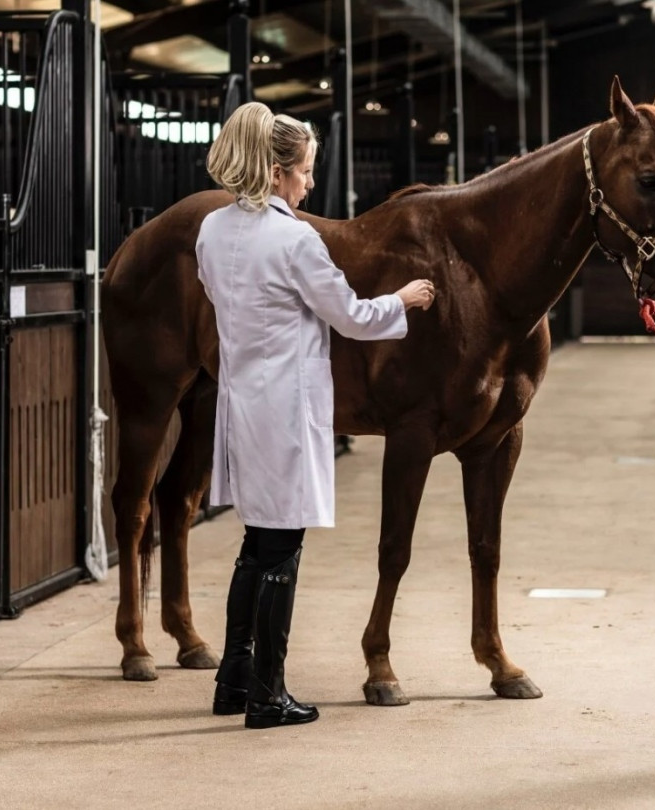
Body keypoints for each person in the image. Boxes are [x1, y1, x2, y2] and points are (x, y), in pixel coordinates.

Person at [196, 102, 436, 729]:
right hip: (285, 410)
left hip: (243, 400)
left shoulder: (212, 231)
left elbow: (219, 294)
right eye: (304, 172)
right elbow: (352, 317)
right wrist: (403, 300)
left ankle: (234, 678)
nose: (309, 184)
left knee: (257, 543)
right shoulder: (295, 238)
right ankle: (268, 696)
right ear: (277, 173)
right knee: (281, 550)